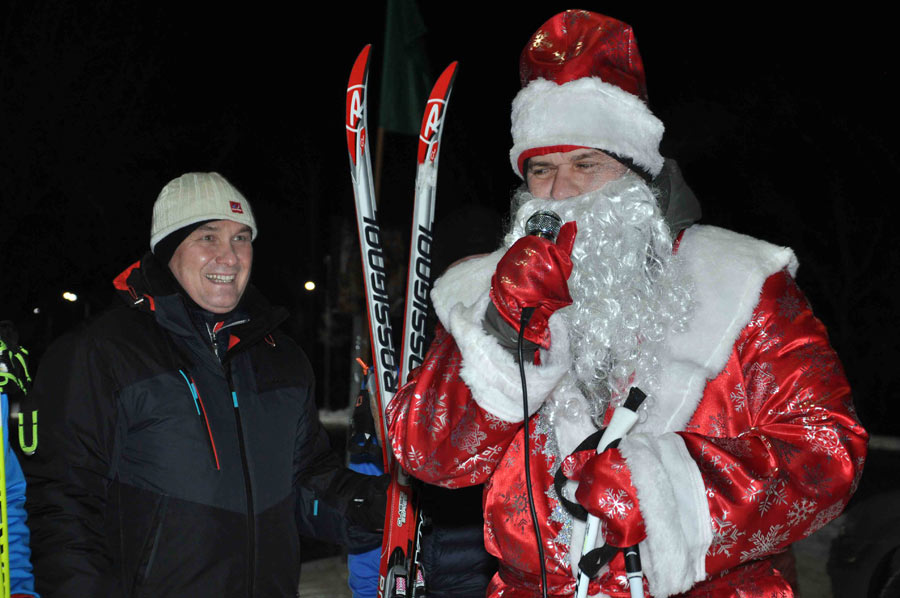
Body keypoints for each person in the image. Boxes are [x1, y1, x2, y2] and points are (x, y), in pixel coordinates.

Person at [387, 10, 867, 598]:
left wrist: (664, 488)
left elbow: (827, 452)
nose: (560, 193)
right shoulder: (485, 289)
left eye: (586, 165)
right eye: (541, 170)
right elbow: (428, 455)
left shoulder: (742, 281)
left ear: (636, 174)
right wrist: (504, 330)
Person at [21, 172, 385, 597]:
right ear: (168, 249)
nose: (229, 257)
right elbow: (62, 511)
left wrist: (378, 506)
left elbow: (305, 485)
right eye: (208, 237)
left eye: (241, 238)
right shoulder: (102, 353)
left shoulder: (281, 358)